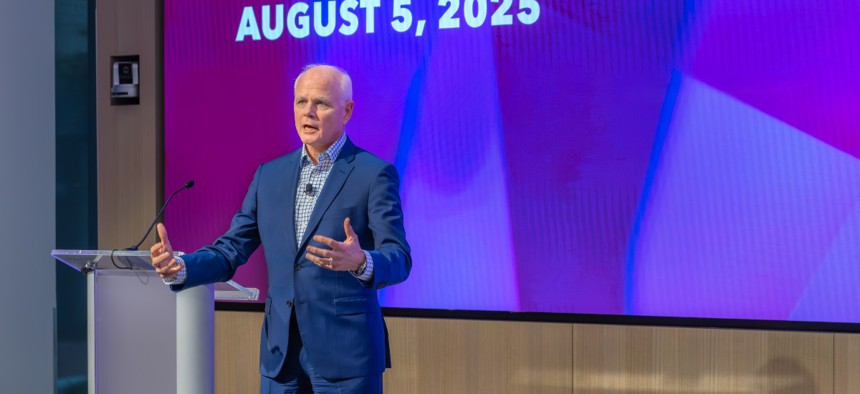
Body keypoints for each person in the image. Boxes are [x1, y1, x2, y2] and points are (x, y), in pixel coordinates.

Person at [150, 64, 411, 393]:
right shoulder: (269, 175)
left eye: (321, 103)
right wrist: (182, 268)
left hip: (346, 355)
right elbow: (231, 248)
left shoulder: (374, 174)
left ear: (347, 111)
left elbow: (399, 257)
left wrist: (361, 262)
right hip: (281, 354)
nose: (309, 112)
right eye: (301, 102)